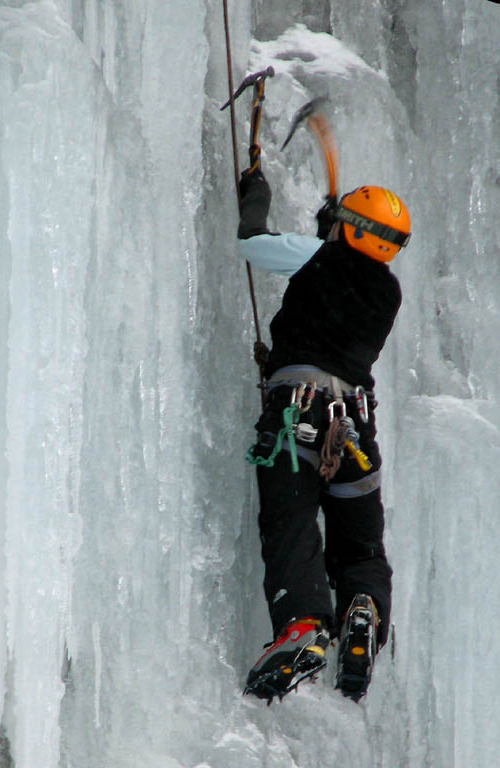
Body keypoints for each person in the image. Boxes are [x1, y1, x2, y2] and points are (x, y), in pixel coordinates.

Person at [238, 168, 410, 703]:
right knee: (361, 549)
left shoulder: (318, 255)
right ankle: (363, 607)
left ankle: (304, 626)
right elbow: (337, 288)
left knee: (290, 525)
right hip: (356, 432)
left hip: (299, 417)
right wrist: (330, 230)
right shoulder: (388, 292)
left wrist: (255, 193)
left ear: (348, 229)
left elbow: (255, 243)